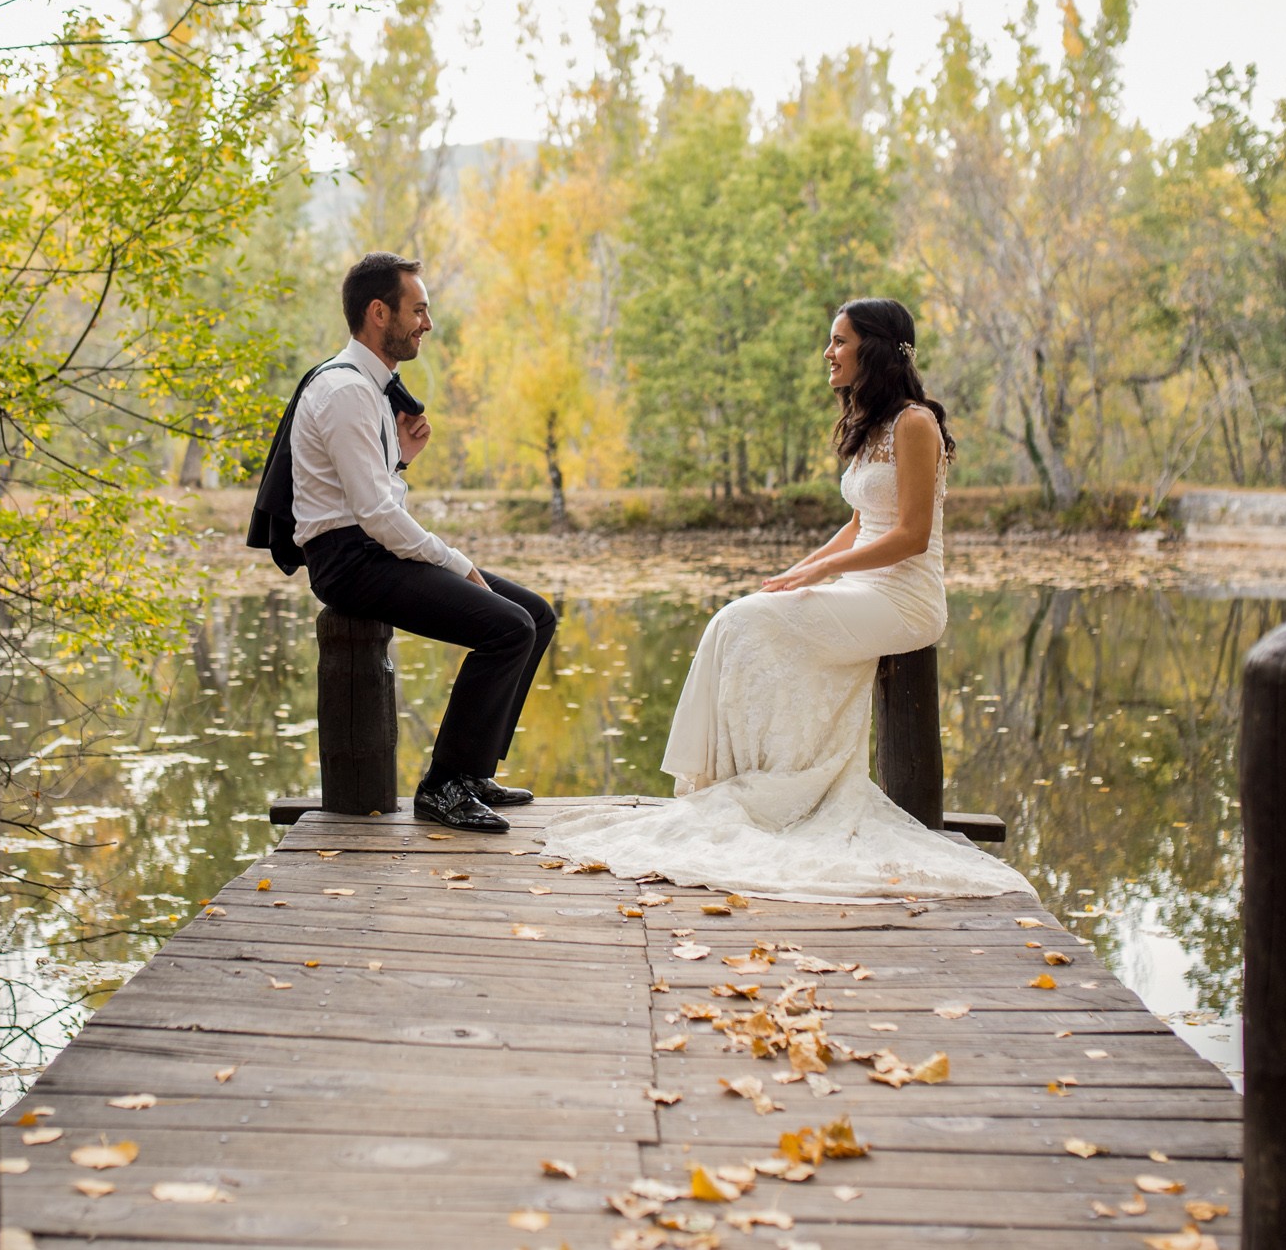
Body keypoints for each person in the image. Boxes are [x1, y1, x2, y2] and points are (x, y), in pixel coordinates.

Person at [541, 299, 1031, 901]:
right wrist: (799, 571)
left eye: (839, 341)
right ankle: (743, 777)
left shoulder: (915, 423)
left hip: (906, 599)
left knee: (744, 621)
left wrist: (823, 571)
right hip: (862, 586)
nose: (828, 353)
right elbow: (861, 524)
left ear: (875, 348)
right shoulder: (872, 424)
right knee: (739, 618)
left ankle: (778, 783)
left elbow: (911, 535)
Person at [246, 253, 556, 834]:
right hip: (348, 561)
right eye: (418, 311)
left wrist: (401, 459)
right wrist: (458, 563)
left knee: (535, 615)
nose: (427, 324)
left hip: (371, 548)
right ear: (379, 312)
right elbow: (375, 515)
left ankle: (472, 773)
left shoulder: (368, 388)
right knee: (508, 628)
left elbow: (371, 496)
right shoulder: (345, 390)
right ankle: (442, 787)